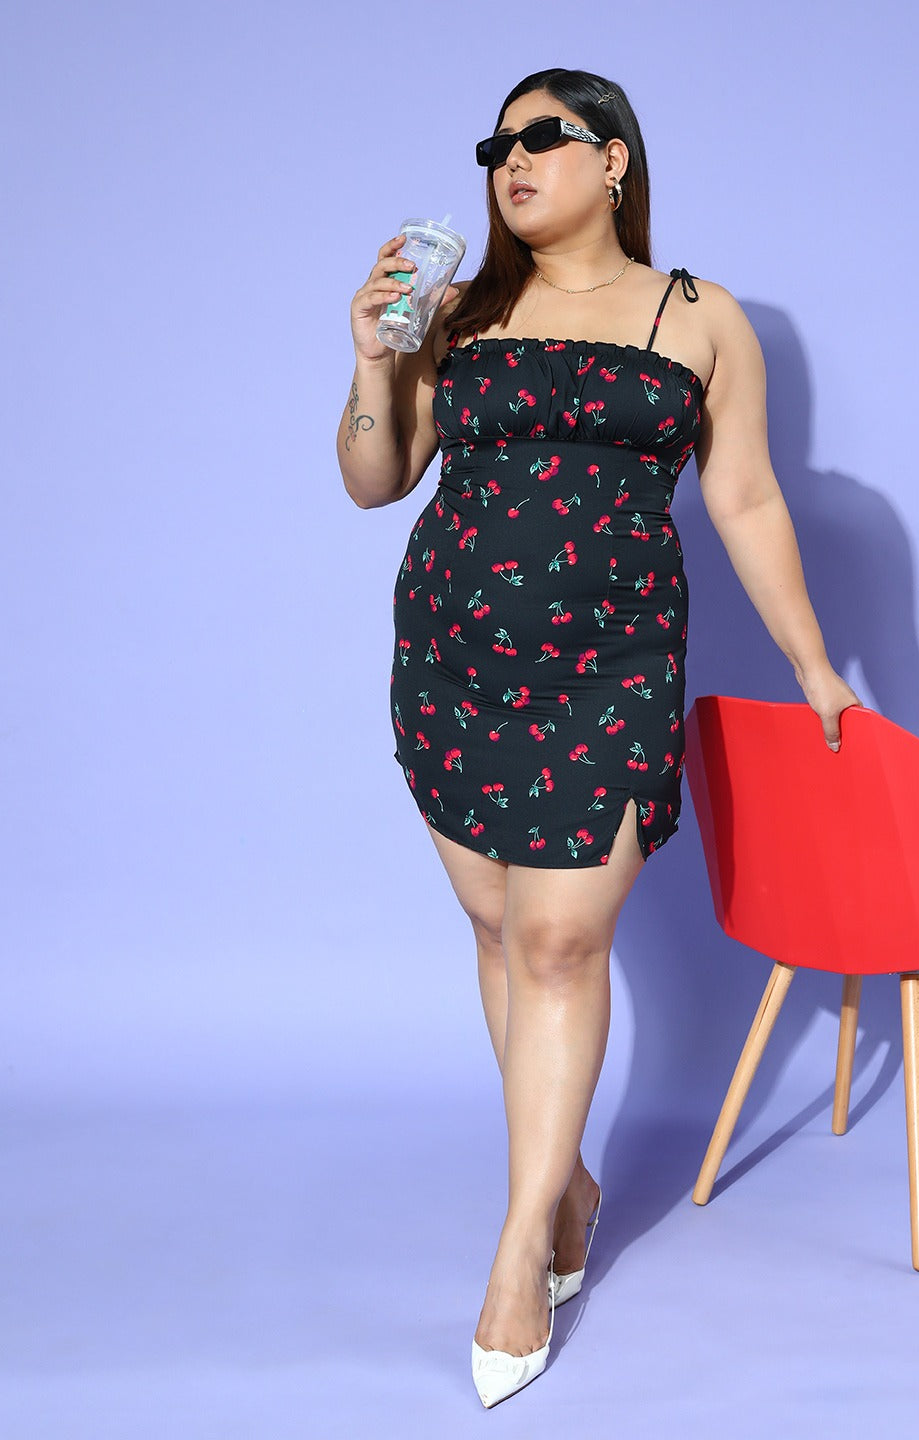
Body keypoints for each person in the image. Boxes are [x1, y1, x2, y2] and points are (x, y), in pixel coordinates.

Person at [338, 67, 859, 1408]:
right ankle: (562, 1180)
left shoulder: (700, 317)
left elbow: (745, 499)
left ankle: (519, 1251)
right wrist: (375, 359)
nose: (510, 161)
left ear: (613, 158)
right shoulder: (464, 312)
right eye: (494, 146)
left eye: (540, 137)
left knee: (563, 942)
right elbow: (375, 480)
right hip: (453, 663)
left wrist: (818, 671)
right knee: (502, 935)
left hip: (608, 673)